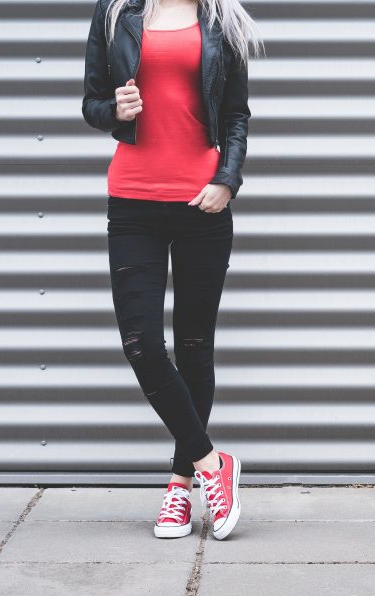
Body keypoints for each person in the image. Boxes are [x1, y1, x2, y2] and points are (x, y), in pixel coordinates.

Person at [82, 0, 264, 540]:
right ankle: (214, 466)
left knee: (193, 346)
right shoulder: (116, 12)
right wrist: (113, 110)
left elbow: (235, 112)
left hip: (202, 202)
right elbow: (90, 102)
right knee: (140, 343)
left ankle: (179, 488)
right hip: (133, 201)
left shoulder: (222, 18)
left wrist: (228, 180)